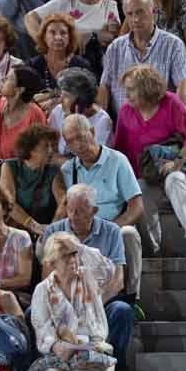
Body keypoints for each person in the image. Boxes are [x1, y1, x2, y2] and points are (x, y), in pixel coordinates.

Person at [111, 63, 186, 256]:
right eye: (126, 90)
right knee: (139, 190)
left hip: (180, 169)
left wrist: (176, 163)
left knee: (175, 179)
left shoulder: (171, 102)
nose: (126, 95)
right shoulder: (125, 112)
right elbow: (120, 150)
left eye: (131, 90)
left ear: (146, 88)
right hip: (147, 174)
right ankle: (153, 248)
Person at [30, 233, 116, 371]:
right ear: (52, 262)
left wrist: (78, 246)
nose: (72, 259)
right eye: (65, 256)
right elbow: (42, 330)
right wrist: (56, 345)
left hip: (94, 356)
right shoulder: (42, 290)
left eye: (74, 254)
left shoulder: (89, 277)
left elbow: (108, 269)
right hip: (59, 356)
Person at [44, 184, 135, 370]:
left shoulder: (112, 231)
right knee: (33, 313)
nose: (73, 216)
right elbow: (47, 278)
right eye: (70, 210)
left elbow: (118, 280)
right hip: (64, 301)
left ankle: (113, 367)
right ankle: (49, 367)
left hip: (100, 299)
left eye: (80, 211)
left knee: (122, 310)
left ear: (94, 211)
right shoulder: (54, 232)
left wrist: (93, 305)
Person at [59, 115, 145, 298]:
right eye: (71, 141)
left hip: (112, 227)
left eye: (80, 137)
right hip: (80, 232)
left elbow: (137, 206)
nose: (78, 145)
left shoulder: (117, 160)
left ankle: (131, 297)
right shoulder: (67, 170)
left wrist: (111, 229)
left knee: (128, 234)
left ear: (92, 131)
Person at [98, 0, 186, 114]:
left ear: (153, 13)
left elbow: (183, 83)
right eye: (130, 14)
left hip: (161, 121)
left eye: (140, 12)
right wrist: (101, 118)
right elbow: (104, 86)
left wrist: (177, 116)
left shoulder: (173, 44)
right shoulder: (115, 48)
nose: (135, 19)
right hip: (124, 122)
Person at [30, 0, 121, 73]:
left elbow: (111, 36)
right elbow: (30, 18)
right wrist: (44, 42)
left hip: (96, 63)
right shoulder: (65, 1)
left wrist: (92, 36)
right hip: (64, 59)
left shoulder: (110, 5)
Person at [0, 124, 65, 236]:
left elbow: (63, 202)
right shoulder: (10, 166)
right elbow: (9, 203)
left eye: (52, 146)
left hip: (45, 228)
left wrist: (52, 229)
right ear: (30, 149)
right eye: (46, 146)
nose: (51, 151)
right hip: (15, 230)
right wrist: (33, 225)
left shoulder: (53, 171)